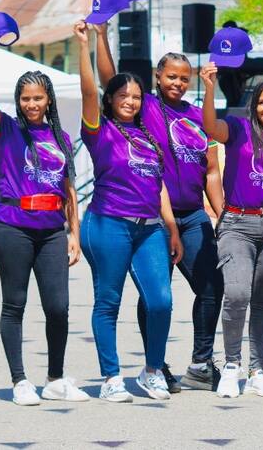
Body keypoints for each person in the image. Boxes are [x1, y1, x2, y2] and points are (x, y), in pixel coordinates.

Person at [94, 26, 224, 393]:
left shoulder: (201, 118)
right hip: (155, 219)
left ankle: (201, 363)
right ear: (157, 76)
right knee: (156, 294)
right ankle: (157, 364)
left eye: (184, 78)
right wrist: (102, 37)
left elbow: (212, 171)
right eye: (171, 76)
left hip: (193, 215)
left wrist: (223, 214)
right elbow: (111, 80)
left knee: (212, 286)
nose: (178, 83)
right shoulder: (146, 106)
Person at [0, 37, 86, 406]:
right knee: (14, 304)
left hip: (51, 231)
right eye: (26, 98)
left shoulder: (61, 137)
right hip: (12, 227)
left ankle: (56, 379)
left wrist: (73, 233)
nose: (32, 104)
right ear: (19, 101)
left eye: (38, 98)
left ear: (49, 101)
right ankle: (20, 381)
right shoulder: (6, 129)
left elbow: (69, 189)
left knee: (58, 307)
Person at [73, 21, 183, 403]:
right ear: (110, 98)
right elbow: (90, 88)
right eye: (123, 94)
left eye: (137, 96)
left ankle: (152, 370)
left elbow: (158, 186)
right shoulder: (99, 130)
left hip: (149, 228)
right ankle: (110, 377)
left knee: (161, 301)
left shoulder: (148, 137)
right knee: (108, 301)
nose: (131, 101)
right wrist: (84, 46)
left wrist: (170, 226)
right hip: (108, 225)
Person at [199, 66, 263, 399]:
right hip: (237, 225)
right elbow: (209, 126)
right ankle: (232, 366)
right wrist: (209, 87)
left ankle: (258, 371)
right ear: (254, 105)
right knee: (237, 294)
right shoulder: (238, 130)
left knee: (262, 303)